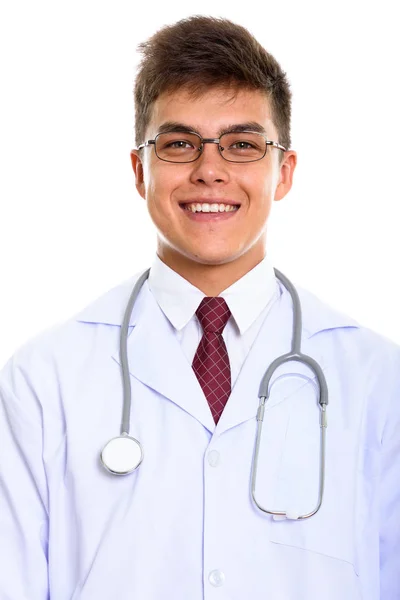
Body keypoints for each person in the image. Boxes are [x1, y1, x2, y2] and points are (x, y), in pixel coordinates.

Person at [0, 14, 399, 600]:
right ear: (141, 171)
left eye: (242, 145)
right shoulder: (45, 378)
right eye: (180, 144)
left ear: (283, 172)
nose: (210, 170)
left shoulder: (376, 380)